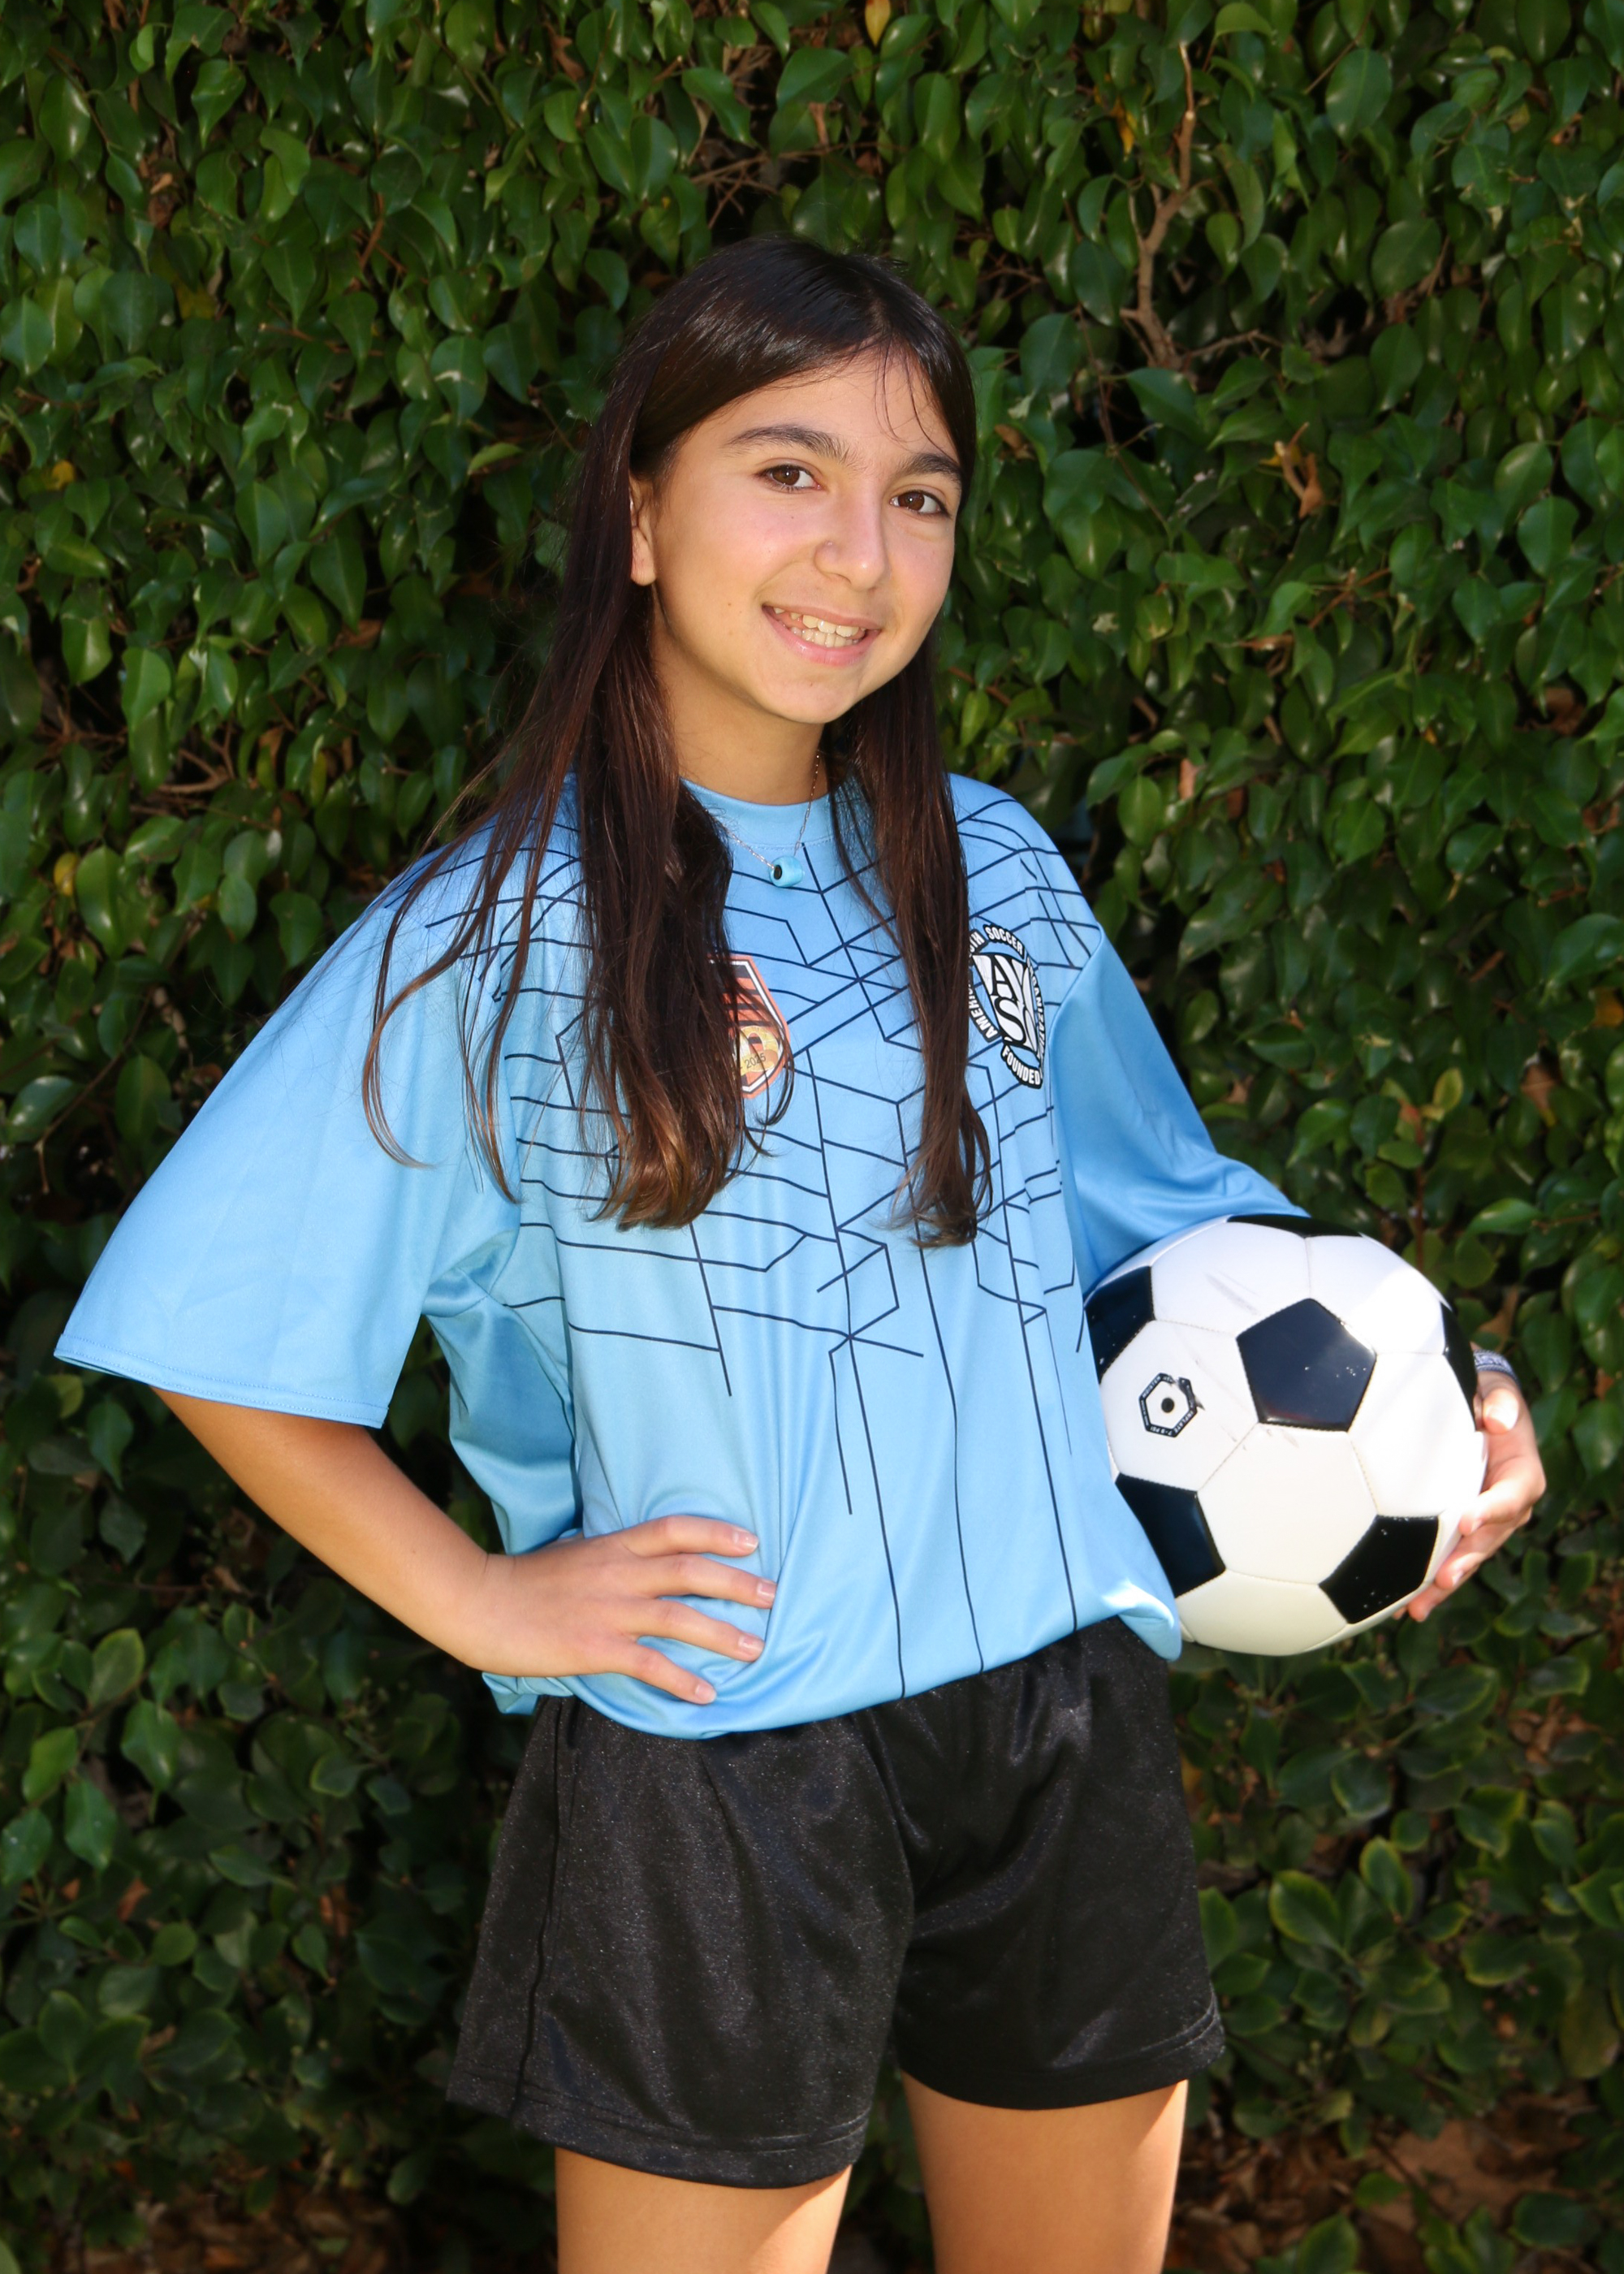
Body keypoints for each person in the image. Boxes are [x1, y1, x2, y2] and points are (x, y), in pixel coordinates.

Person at [57, 241, 1544, 2274]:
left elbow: (1181, 1223)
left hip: (1061, 1710)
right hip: (726, 1754)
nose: (859, 549)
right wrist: (482, 1596)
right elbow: (215, 1324)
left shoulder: (994, 864)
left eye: (917, 492)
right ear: (638, 513)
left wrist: (1459, 1401)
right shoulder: (496, 933)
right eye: (787, 470)